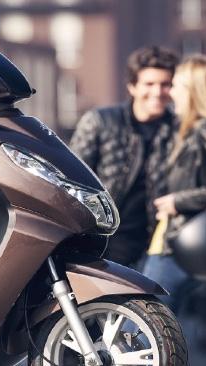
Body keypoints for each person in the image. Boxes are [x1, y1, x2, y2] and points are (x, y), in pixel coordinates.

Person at [143, 54, 206, 311]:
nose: (171, 93)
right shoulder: (188, 131)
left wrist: (181, 201)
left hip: (185, 241)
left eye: (176, 86)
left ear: (194, 91)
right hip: (173, 239)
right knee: (151, 322)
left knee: (144, 324)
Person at [69, 46, 179, 267]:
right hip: (102, 241)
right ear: (132, 86)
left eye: (165, 84)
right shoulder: (100, 122)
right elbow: (71, 179)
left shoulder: (179, 130)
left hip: (156, 246)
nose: (158, 92)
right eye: (149, 84)